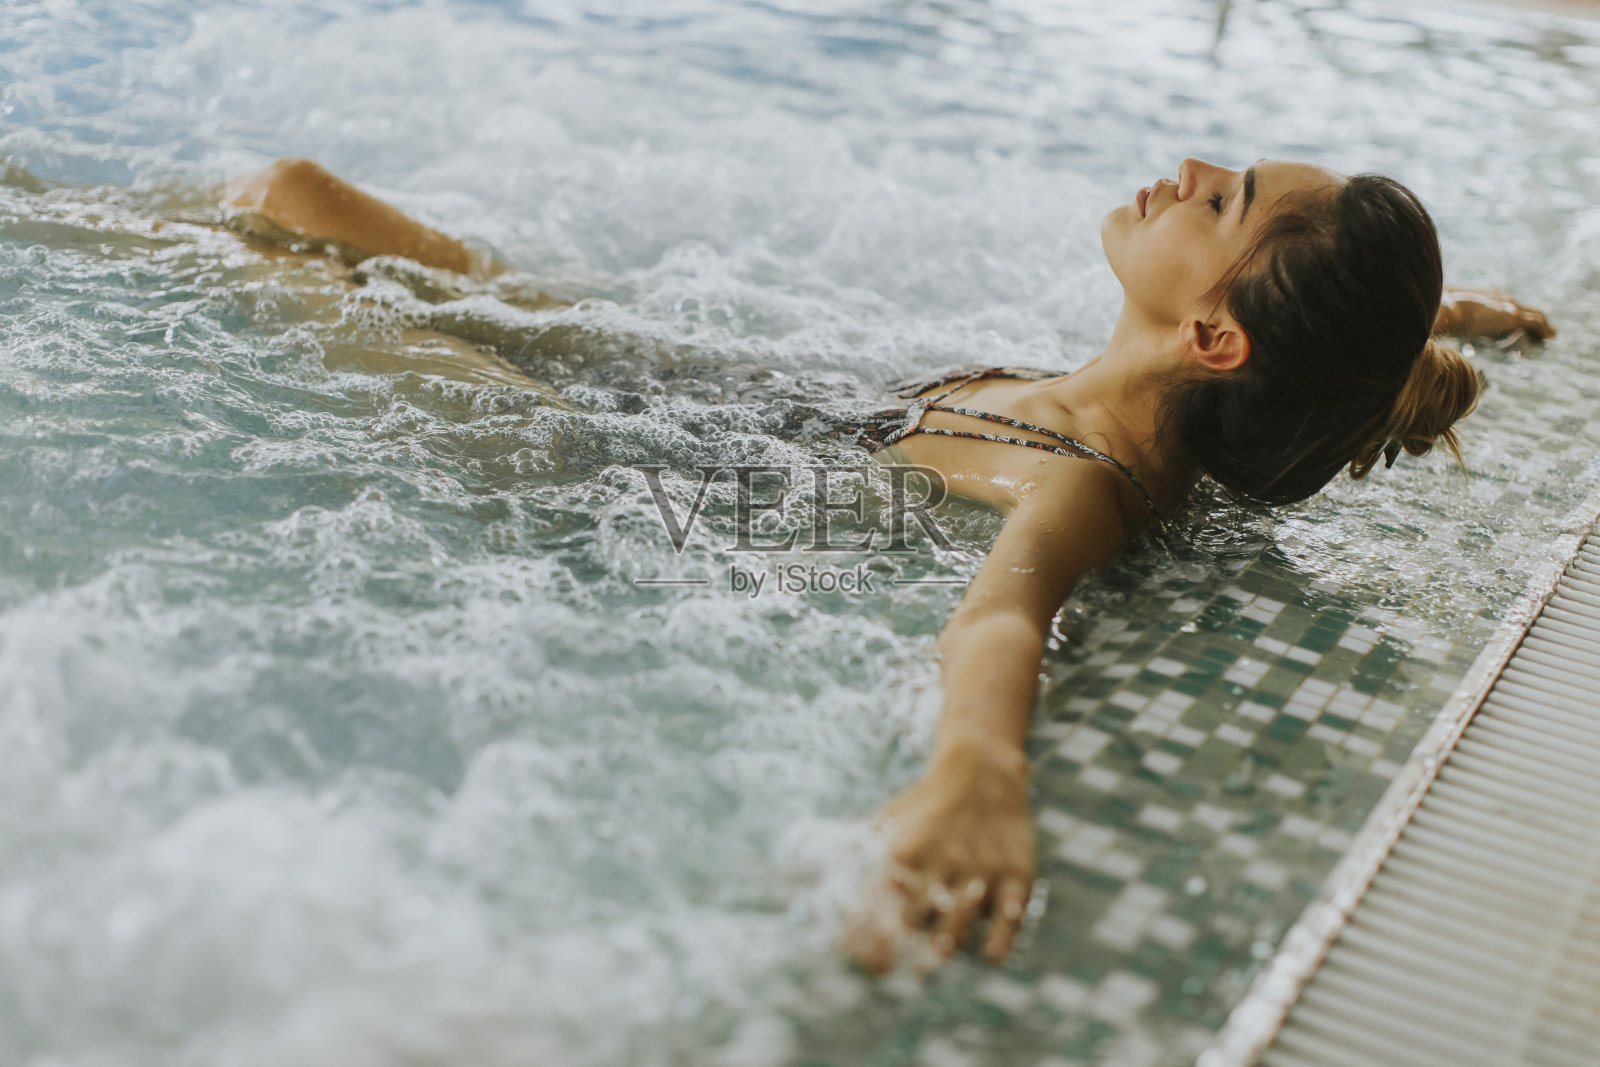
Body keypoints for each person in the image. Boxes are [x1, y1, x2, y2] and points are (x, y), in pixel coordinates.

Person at [221, 155, 1556, 972]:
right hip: (741, 394)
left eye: (1224, 200)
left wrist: (977, 771)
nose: (1190, 170)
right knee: (296, 195)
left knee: (263, 231)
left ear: (1217, 336)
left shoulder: (1084, 481)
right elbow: (1310, 344)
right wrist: (1434, 323)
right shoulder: (1179, 382)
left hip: (606, 471)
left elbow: (1004, 616)